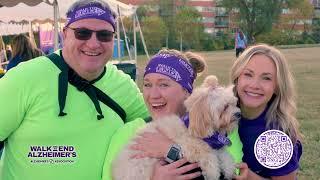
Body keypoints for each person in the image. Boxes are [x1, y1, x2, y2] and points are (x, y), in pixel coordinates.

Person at [0, 0, 149, 179]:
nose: (94, 44)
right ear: (64, 35)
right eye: (82, 33)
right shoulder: (24, 78)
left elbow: (161, 127)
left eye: (104, 35)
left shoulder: (123, 86)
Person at [102, 49, 243, 180]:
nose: (153, 95)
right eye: (147, 85)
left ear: (187, 92)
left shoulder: (222, 128)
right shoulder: (128, 132)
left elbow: (227, 175)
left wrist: (171, 151)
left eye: (163, 85)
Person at [231, 44, 303, 179]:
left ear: (277, 86)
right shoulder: (218, 111)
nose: (254, 85)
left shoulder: (275, 133)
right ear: (237, 77)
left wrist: (249, 177)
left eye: (266, 78)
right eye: (248, 74)